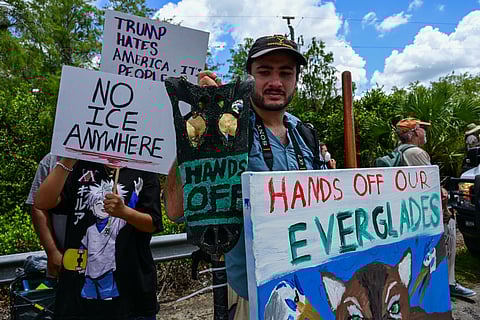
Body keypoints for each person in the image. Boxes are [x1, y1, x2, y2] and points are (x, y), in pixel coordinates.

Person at [165, 34, 319, 319]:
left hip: (309, 291)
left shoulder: (305, 134)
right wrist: (202, 120)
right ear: (249, 76)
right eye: (264, 72)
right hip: (251, 294)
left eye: (286, 73)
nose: (275, 82)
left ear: (296, 78)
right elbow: (175, 210)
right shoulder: (227, 131)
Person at [34, 157, 162, 319]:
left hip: (132, 295)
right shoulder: (80, 166)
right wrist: (67, 161)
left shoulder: (144, 169)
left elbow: (153, 223)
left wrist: (124, 212)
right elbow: (42, 202)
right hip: (76, 300)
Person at [396, 118, 476, 298]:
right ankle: (450, 283)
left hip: (410, 213)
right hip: (428, 214)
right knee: (448, 235)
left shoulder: (399, 152)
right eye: (423, 129)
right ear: (415, 132)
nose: (425, 132)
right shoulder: (416, 153)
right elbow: (431, 187)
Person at [26, 153, 66, 278]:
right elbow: (37, 207)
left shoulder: (114, 159)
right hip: (63, 257)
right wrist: (52, 252)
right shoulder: (52, 159)